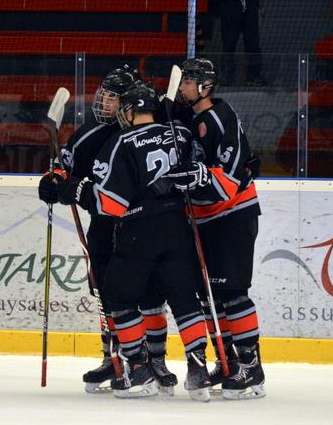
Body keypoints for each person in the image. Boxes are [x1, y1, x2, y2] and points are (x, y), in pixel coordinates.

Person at [56, 81, 214, 402]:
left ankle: (140, 371)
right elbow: (201, 172)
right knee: (185, 299)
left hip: (139, 229)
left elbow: (110, 204)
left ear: (129, 112)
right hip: (179, 228)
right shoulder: (180, 133)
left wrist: (76, 190)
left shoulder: (123, 141)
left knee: (118, 294)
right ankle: (198, 372)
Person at [38, 67, 177, 394]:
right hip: (103, 223)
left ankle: (155, 360)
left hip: (143, 225)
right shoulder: (89, 133)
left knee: (150, 294)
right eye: (104, 94)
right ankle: (113, 357)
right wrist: (53, 182)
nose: (104, 101)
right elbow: (64, 169)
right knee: (107, 293)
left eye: (113, 97)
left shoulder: (150, 131)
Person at [177, 58, 265, 400]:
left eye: (189, 80)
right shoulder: (189, 118)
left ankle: (251, 368)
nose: (183, 86)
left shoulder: (220, 117)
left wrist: (198, 176)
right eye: (182, 80)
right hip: (205, 219)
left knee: (233, 293)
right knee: (211, 296)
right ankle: (228, 364)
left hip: (233, 215)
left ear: (206, 86)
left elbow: (228, 179)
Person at [205, 0, 265, 86]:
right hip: (230, 1)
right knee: (229, 42)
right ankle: (227, 78)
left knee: (253, 41)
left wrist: (259, 2)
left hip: (250, 1)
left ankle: (253, 77)